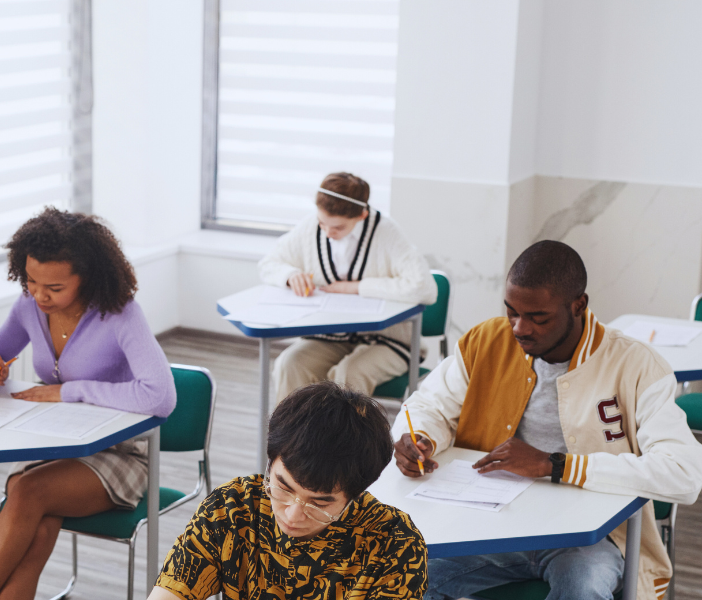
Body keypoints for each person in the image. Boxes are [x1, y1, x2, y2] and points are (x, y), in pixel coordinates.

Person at [393, 241, 702, 600]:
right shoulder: (486, 341)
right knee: (403, 574)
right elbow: (427, 406)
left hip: (589, 536)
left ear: (578, 305)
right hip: (489, 523)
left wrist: (556, 465)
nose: (520, 328)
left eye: (538, 317)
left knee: (582, 586)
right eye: (511, 312)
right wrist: (422, 439)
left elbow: (684, 473)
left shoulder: (636, 365)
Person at [0, 208, 176, 600]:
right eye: (30, 281)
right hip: (54, 444)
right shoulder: (29, 306)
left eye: (55, 287)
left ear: (88, 277)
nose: (40, 295)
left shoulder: (120, 314)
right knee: (39, 524)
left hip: (120, 453)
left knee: (28, 494)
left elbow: (160, 397)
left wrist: (70, 391)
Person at [151, 381, 427, 600]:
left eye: (319, 504)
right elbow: (172, 590)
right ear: (270, 463)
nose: (293, 515)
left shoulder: (395, 543)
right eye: (282, 487)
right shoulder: (232, 508)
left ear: (355, 495)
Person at [259, 172, 436, 399]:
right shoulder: (311, 227)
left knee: (347, 376)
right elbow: (269, 263)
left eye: (338, 228)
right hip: (330, 337)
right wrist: (290, 274)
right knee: (289, 364)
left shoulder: (387, 233)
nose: (328, 233)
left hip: (389, 341)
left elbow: (425, 288)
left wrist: (357, 287)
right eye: (322, 223)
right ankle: (295, 436)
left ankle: (340, 436)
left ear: (362, 215)